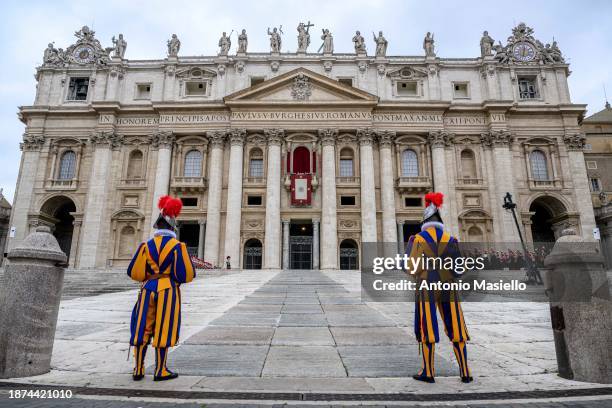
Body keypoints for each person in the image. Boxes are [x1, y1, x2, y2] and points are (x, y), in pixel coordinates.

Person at [405, 192, 473, 383]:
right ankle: (465, 372)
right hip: (449, 286)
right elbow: (460, 268)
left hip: (427, 287)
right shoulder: (451, 240)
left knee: (427, 326)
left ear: (424, 221)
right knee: (456, 325)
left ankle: (428, 371)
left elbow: (411, 268)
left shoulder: (417, 239)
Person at [127, 195, 195, 381]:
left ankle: (138, 369)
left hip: (147, 288)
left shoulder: (145, 246)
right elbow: (186, 275)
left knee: (142, 326)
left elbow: (134, 272)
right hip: (168, 290)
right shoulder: (177, 246)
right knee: (165, 326)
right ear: (173, 228)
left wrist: (149, 277)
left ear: (157, 228)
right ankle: (160, 370)